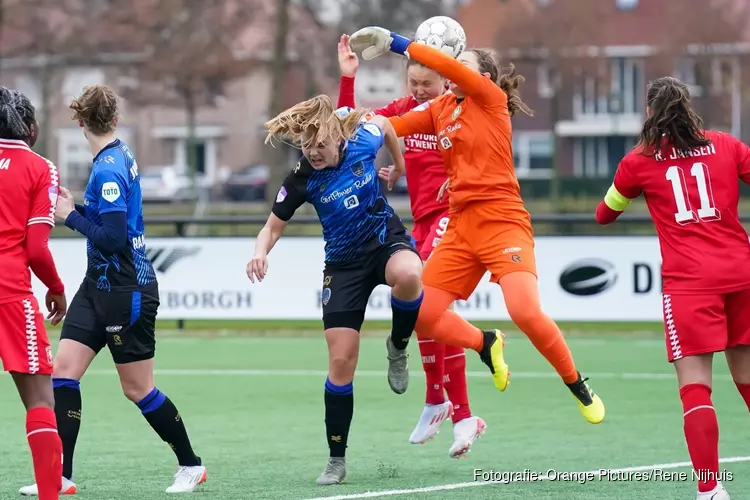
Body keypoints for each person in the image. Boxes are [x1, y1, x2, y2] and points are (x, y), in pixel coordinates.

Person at [348, 28, 605, 424]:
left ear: (482, 77)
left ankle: (577, 384)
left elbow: (446, 65)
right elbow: (383, 127)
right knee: (422, 314)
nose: (453, 71)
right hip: (462, 229)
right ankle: (485, 343)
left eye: (463, 65)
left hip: (502, 222)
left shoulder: (489, 98)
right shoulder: (440, 109)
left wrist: (396, 42)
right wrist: (343, 106)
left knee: (524, 311)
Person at [19, 85, 206, 496]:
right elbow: (108, 223)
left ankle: (191, 465)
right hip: (96, 287)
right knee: (63, 373)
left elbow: (115, 239)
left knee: (137, 388)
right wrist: (81, 209)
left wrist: (69, 216)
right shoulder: (117, 154)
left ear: (80, 121)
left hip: (127, 290)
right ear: (115, 120)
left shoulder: (107, 168)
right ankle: (61, 477)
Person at [247, 94, 424, 485]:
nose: (313, 152)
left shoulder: (363, 139)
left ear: (337, 136)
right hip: (343, 268)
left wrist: (397, 164)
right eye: (307, 146)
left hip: (384, 242)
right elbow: (273, 225)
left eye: (320, 144)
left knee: (410, 274)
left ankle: (398, 347)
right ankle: (336, 458)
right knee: (341, 364)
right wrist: (260, 252)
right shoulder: (302, 177)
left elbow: (390, 126)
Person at [595, 76, 749, 500]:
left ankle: (710, 490)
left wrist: (634, 189)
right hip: (741, 275)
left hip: (689, 285)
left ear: (650, 112)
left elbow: (603, 215)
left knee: (696, 385)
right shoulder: (726, 145)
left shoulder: (639, 161)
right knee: (748, 378)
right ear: (688, 107)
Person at [336, 34, 484, 459]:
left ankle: (462, 414)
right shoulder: (402, 111)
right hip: (420, 222)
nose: (419, 90)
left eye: (428, 83)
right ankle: (437, 401)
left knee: (431, 306)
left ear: (446, 80)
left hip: (454, 219)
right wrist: (350, 79)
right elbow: (349, 126)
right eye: (414, 82)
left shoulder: (457, 110)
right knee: (419, 308)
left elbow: (488, 149)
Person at [0, 87, 66, 500]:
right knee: (41, 402)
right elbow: (36, 247)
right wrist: (57, 290)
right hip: (10, 292)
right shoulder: (40, 168)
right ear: (32, 127)